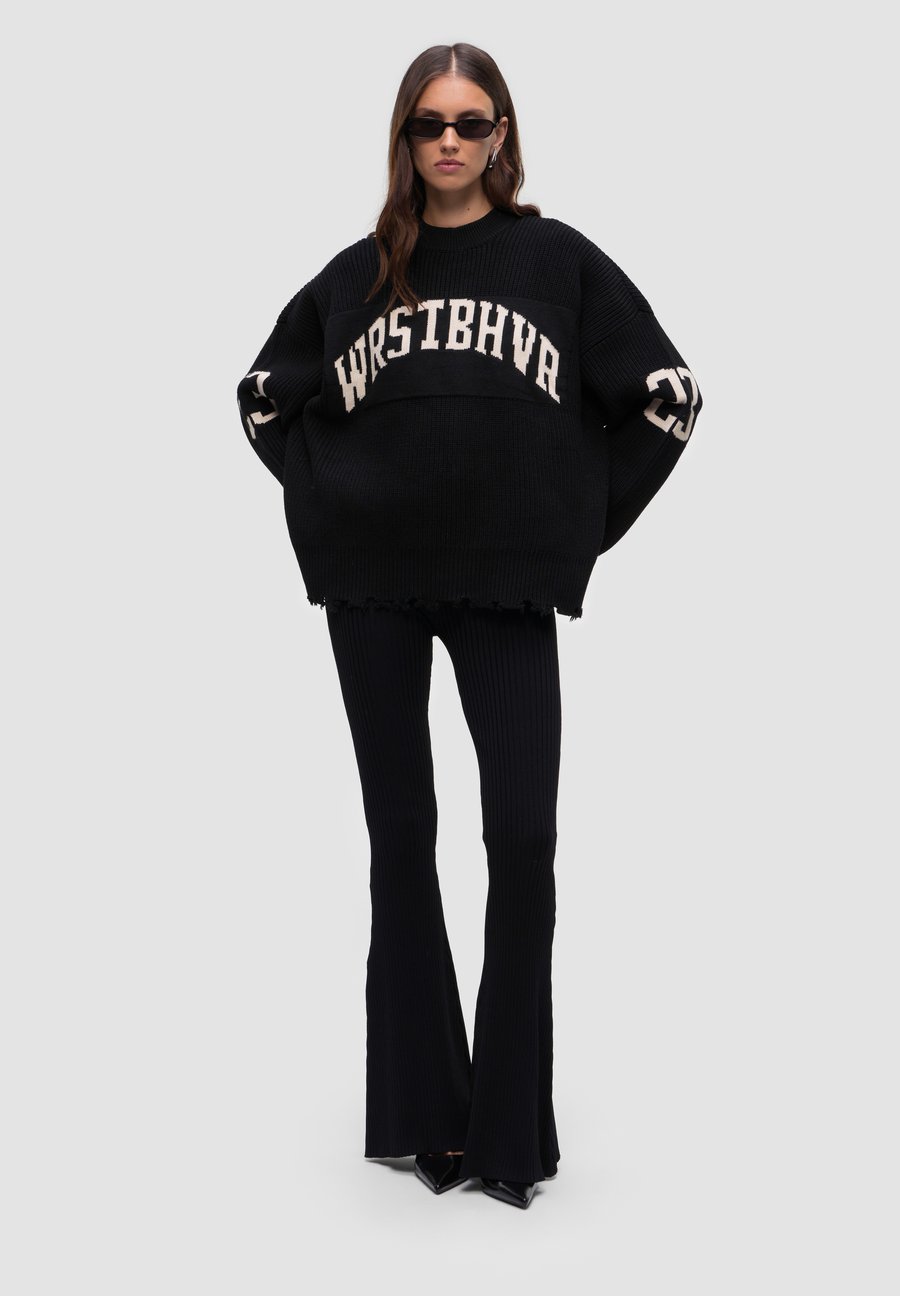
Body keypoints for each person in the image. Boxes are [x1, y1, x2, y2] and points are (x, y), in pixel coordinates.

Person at [236, 42, 703, 1210]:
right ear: (405, 138)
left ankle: (507, 1135)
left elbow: (670, 396)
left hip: (507, 589)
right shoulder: (357, 275)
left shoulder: (560, 263)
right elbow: (262, 395)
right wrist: (332, 507)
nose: (449, 141)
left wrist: (572, 527)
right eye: (429, 123)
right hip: (374, 591)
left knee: (523, 847)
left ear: (503, 135)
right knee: (400, 839)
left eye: (471, 121)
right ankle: (422, 1119)